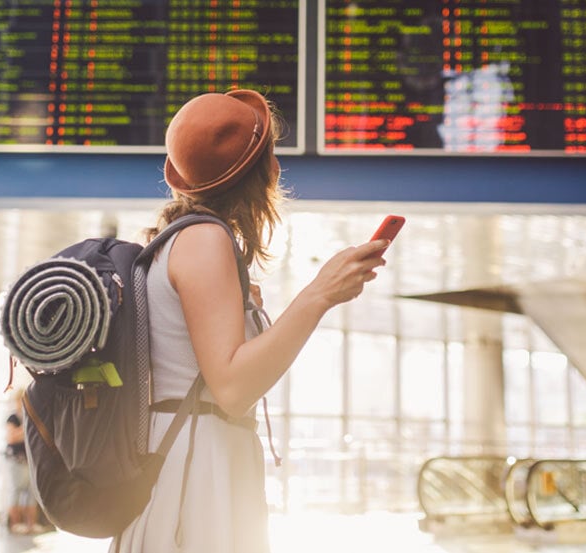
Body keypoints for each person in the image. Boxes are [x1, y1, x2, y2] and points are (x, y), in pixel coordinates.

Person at [112, 89, 389, 553]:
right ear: (267, 171)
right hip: (197, 472)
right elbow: (233, 388)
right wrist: (320, 294)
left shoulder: (180, 241)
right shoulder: (204, 240)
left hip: (188, 461)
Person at [4, 409, 42, 534]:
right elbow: (11, 438)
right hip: (17, 462)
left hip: (30, 462)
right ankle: (15, 524)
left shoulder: (31, 416)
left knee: (31, 494)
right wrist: (26, 429)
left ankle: (31, 524)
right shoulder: (13, 418)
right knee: (16, 492)